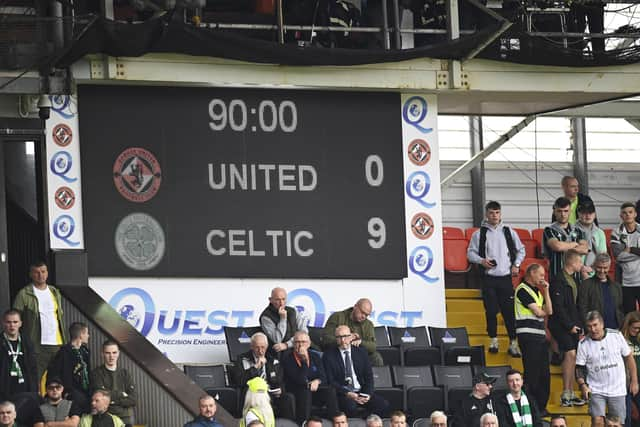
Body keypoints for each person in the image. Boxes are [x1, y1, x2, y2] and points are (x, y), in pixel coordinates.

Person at [467, 201, 524, 356]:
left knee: (509, 312)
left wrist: (516, 265)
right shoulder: (479, 234)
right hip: (489, 278)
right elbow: (470, 254)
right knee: (491, 311)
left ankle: (513, 342)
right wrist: (482, 261)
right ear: (486, 214)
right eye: (491, 213)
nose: (494, 215)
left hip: (505, 277)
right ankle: (493, 340)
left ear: (500, 214)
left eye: (497, 212)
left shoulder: (509, 232)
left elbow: (521, 250)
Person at [576, 310, 638, 427]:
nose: (593, 329)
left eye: (595, 325)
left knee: (617, 423)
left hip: (617, 389)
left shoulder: (616, 335)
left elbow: (629, 357)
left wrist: (634, 381)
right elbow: (579, 368)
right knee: (597, 421)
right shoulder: (583, 344)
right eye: (589, 326)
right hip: (596, 389)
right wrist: (583, 385)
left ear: (602, 324)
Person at [13, 261, 67, 380]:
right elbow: (15, 318)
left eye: (43, 272)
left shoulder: (54, 292)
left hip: (58, 343)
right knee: (34, 379)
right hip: (37, 345)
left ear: (47, 273)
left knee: (58, 380)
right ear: (31, 274)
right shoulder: (24, 294)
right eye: (36, 272)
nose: (40, 275)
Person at [322, 325, 389, 418]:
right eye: (339, 337)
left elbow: (369, 377)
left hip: (361, 391)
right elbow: (331, 381)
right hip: (344, 393)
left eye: (345, 336)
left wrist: (367, 394)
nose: (343, 340)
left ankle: (365, 420)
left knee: (383, 405)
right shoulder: (328, 355)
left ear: (351, 337)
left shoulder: (361, 352)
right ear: (336, 338)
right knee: (350, 407)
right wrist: (348, 393)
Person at [548, 250, 586, 407]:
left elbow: (575, 306)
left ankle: (570, 392)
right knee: (570, 354)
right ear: (572, 262)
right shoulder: (559, 280)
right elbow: (558, 307)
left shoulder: (573, 280)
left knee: (573, 355)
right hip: (560, 325)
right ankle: (566, 392)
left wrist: (579, 325)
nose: (582, 265)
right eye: (580, 261)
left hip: (571, 324)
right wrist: (569, 325)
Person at [514, 264, 552, 415]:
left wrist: (547, 290)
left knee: (544, 374)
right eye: (541, 275)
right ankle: (529, 406)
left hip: (540, 336)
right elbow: (538, 312)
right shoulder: (522, 289)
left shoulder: (538, 292)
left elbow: (549, 310)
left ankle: (541, 407)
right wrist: (543, 311)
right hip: (528, 336)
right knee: (532, 374)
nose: (543, 278)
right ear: (531, 273)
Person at [232, 332, 295, 421]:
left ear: (267, 346)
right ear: (251, 346)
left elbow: (280, 380)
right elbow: (239, 380)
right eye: (257, 347)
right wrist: (255, 368)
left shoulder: (272, 359)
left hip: (270, 393)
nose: (260, 351)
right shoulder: (242, 359)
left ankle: (289, 424)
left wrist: (281, 389)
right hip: (253, 393)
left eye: (263, 347)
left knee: (288, 398)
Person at [282, 331, 338, 424]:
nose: (300, 345)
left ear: (309, 344)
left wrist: (317, 381)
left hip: (314, 390)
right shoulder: (288, 359)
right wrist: (303, 360)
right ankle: (304, 423)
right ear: (293, 344)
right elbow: (300, 380)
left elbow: (324, 377)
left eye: (303, 342)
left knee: (330, 390)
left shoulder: (315, 356)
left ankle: (336, 421)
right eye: (297, 342)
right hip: (297, 391)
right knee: (305, 391)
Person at [0, 309, 44, 427]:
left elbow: (33, 368)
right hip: (6, 392)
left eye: (15, 322)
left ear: (20, 323)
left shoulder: (26, 342)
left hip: (26, 390)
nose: (12, 325)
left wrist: (35, 388)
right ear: (3, 323)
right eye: (9, 322)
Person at [322, 299, 383, 366]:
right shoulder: (337, 317)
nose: (363, 316)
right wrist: (345, 339)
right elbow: (326, 339)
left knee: (376, 357)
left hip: (358, 353)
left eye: (366, 315)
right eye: (362, 312)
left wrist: (360, 342)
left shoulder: (368, 324)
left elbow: (373, 346)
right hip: (339, 351)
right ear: (355, 307)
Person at [47, 322, 91, 412]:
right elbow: (59, 374)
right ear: (81, 335)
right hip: (71, 391)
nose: (88, 336)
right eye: (87, 333)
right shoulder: (64, 353)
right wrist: (66, 392)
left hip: (85, 388)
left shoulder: (85, 351)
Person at [90, 341, 136, 426]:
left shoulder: (125, 373)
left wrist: (111, 400)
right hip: (107, 416)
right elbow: (100, 398)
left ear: (118, 353)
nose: (111, 356)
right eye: (108, 353)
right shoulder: (96, 373)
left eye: (114, 353)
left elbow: (133, 399)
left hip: (126, 417)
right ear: (102, 354)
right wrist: (121, 394)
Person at [543, 197, 589, 281]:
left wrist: (566, 246)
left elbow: (585, 249)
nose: (563, 214)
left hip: (576, 277)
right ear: (554, 211)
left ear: (570, 211)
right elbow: (557, 246)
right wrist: (575, 244)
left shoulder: (578, 230)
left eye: (566, 211)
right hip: (557, 277)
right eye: (559, 211)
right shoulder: (549, 230)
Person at [578, 253, 624, 329]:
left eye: (605, 268)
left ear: (609, 267)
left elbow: (620, 308)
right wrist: (588, 328)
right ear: (594, 266)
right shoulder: (586, 285)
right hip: (595, 331)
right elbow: (582, 309)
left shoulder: (617, 286)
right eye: (599, 267)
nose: (602, 271)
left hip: (615, 330)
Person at [610, 202, 640, 314]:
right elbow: (618, 256)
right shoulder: (616, 233)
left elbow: (624, 254)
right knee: (629, 316)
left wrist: (631, 249)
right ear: (621, 216)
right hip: (625, 283)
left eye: (630, 212)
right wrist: (637, 253)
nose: (627, 215)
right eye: (624, 213)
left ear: (635, 214)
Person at [259, 288, 309, 354]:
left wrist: (287, 344)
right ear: (270, 300)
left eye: (283, 299)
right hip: (281, 354)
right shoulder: (265, 317)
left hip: (300, 347)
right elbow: (277, 339)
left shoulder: (293, 311)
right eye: (277, 300)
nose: (281, 303)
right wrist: (283, 319)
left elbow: (304, 334)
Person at [620, 311, 640, 427]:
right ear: (628, 325)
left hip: (638, 383)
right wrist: (633, 380)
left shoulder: (638, 338)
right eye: (635, 327)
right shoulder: (620, 339)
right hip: (625, 384)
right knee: (626, 416)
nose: (637, 330)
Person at [574, 201, 607, 272]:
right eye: (584, 213)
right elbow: (569, 255)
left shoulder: (600, 233)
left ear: (594, 215)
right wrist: (581, 268)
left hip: (595, 272)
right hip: (575, 271)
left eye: (590, 213)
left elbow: (602, 255)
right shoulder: (572, 230)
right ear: (578, 214)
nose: (588, 216)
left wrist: (592, 268)